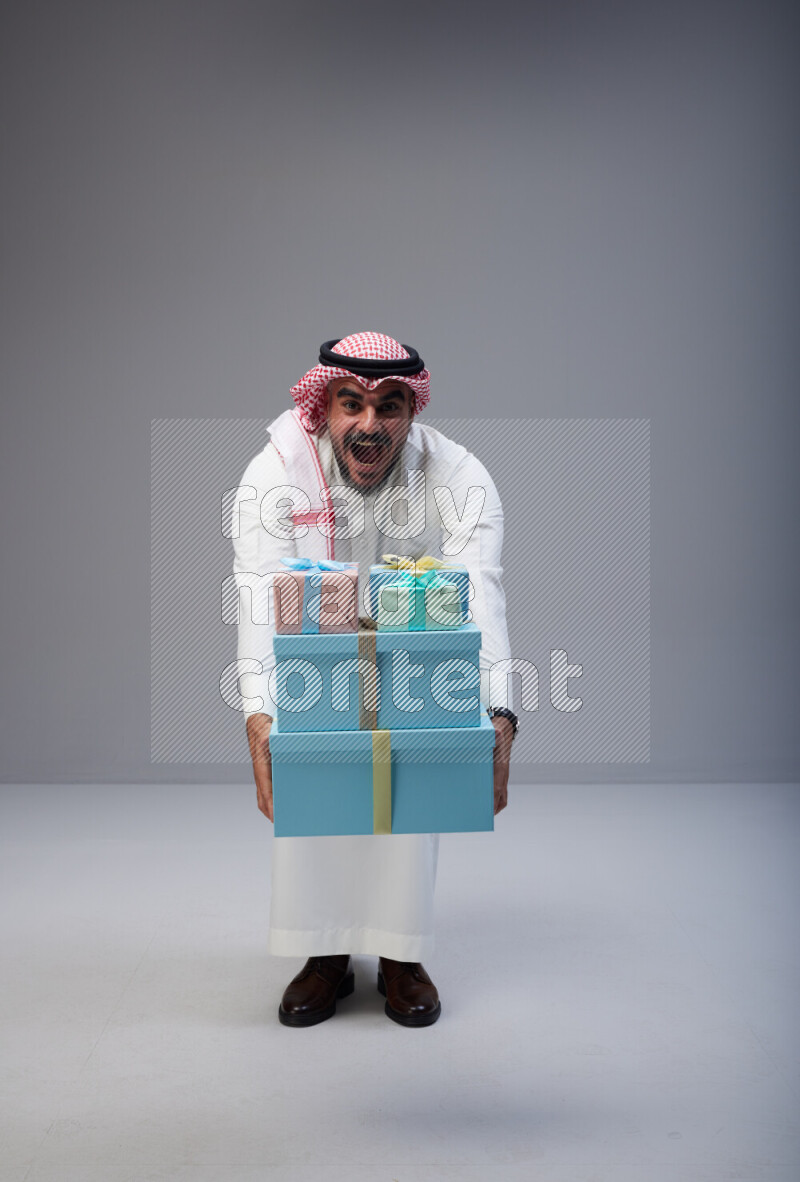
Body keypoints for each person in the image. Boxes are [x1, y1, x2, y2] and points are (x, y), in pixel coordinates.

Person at [231, 332, 517, 1028]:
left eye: (388, 407)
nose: (369, 424)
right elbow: (257, 595)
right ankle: (324, 954)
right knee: (317, 788)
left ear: (411, 414)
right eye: (351, 403)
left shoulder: (457, 473)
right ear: (323, 406)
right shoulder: (274, 476)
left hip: (417, 664)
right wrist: (260, 718)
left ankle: (399, 953)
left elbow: (481, 590)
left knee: (409, 790)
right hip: (313, 664)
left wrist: (499, 717)